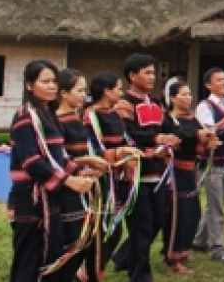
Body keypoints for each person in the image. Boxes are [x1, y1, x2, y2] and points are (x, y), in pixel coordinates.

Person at [7, 59, 95, 282]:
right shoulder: (25, 117)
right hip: (30, 198)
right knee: (29, 259)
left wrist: (78, 171)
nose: (52, 86)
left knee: (51, 256)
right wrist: (68, 181)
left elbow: (58, 157)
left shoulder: (48, 115)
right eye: (45, 81)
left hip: (49, 196)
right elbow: (33, 162)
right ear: (29, 85)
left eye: (54, 81)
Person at [112, 53, 182, 282]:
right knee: (141, 226)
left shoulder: (156, 103)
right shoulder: (123, 104)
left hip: (157, 172)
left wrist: (169, 139)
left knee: (157, 222)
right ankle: (141, 276)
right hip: (135, 174)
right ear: (132, 76)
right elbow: (127, 135)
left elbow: (163, 127)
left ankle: (124, 259)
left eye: (154, 72)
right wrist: (157, 140)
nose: (153, 77)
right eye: (147, 72)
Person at [84, 71, 139, 282]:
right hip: (100, 180)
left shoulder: (115, 114)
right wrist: (119, 154)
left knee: (113, 229)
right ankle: (91, 271)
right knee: (102, 230)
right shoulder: (91, 116)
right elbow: (93, 150)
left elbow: (125, 141)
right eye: (118, 88)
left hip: (116, 179)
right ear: (106, 92)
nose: (121, 92)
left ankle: (95, 270)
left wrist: (132, 154)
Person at [162, 81, 219, 274]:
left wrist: (208, 144)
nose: (188, 98)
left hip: (190, 172)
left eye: (189, 94)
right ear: (172, 98)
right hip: (175, 173)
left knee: (193, 213)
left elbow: (199, 142)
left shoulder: (193, 118)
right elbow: (182, 136)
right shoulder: (169, 119)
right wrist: (198, 136)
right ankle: (172, 259)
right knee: (178, 215)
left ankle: (183, 250)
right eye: (183, 94)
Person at [192, 67, 224, 263]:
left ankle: (198, 239)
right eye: (219, 80)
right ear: (208, 85)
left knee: (218, 203)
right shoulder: (205, 106)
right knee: (216, 206)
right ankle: (217, 247)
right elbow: (209, 130)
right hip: (212, 162)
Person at [54, 68, 94, 282]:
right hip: (65, 189)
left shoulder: (76, 119)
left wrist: (87, 168)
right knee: (70, 239)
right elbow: (58, 159)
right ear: (64, 93)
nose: (83, 95)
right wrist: (85, 163)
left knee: (84, 237)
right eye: (79, 90)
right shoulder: (57, 123)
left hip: (83, 185)